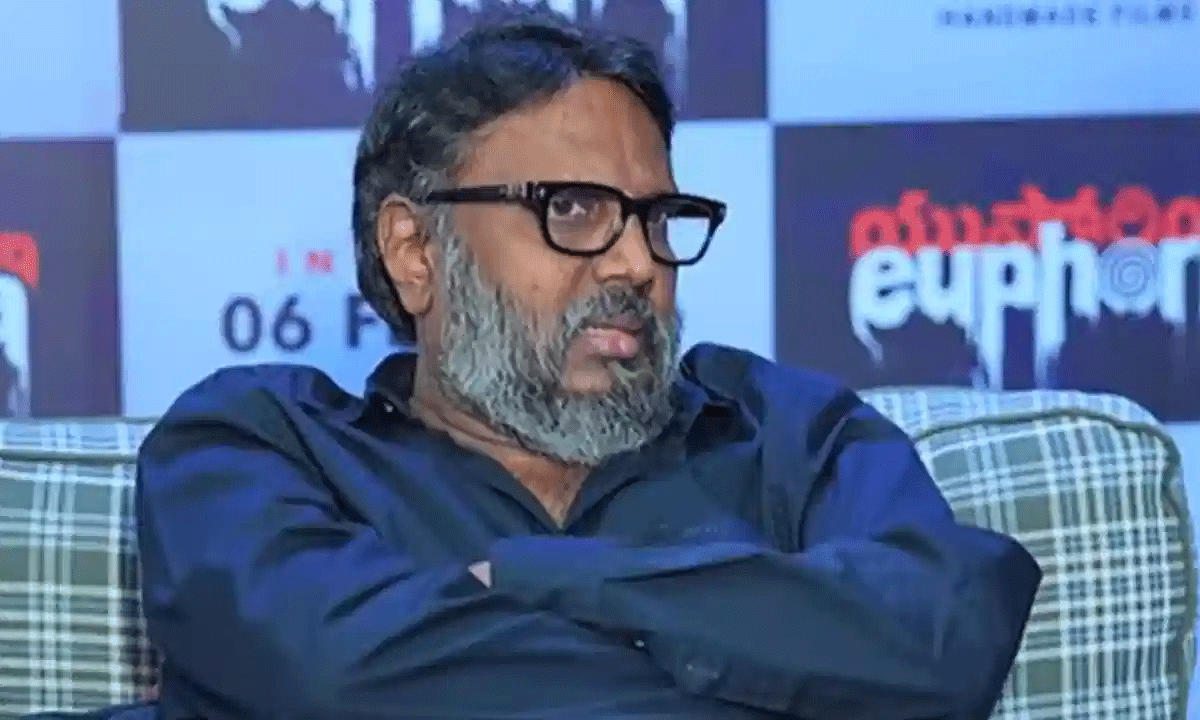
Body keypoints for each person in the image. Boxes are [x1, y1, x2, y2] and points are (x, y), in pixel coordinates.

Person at [34, 7, 1041, 720]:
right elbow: (325, 683)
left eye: (657, 217)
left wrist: (542, 577)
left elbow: (946, 641)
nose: (638, 262)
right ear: (415, 251)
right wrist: (783, 664)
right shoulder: (257, 445)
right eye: (575, 209)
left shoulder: (783, 433)